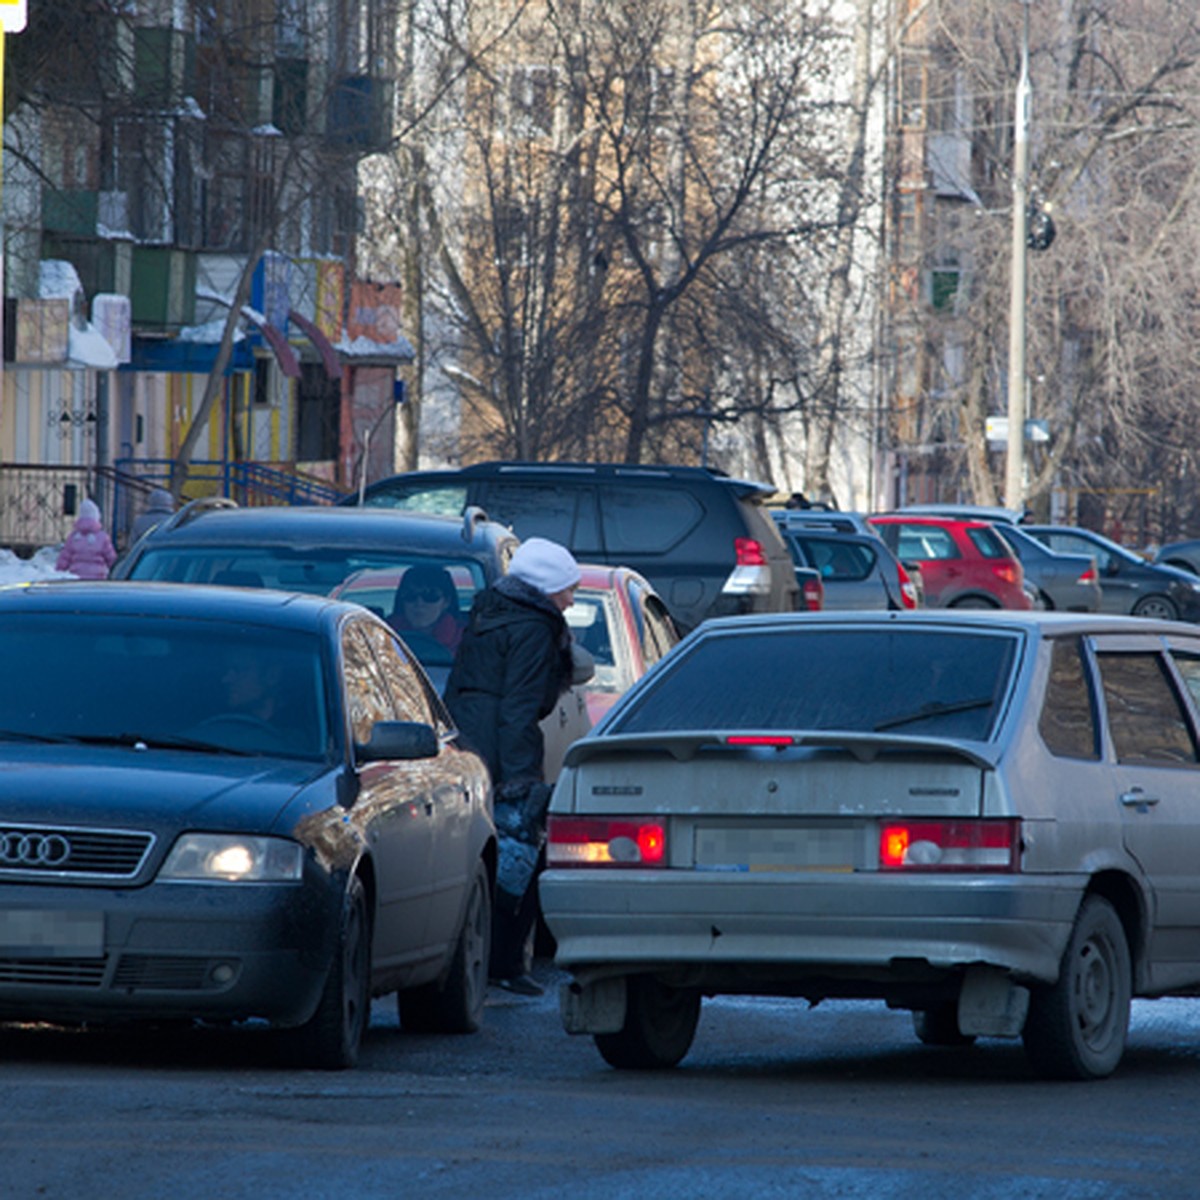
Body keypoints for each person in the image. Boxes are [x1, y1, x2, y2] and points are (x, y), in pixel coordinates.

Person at [444, 536, 582, 996]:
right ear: (545, 587)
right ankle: (504, 962)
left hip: (468, 738)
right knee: (521, 851)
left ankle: (480, 956)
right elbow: (518, 707)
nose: (571, 598)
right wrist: (522, 779)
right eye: (567, 589)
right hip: (503, 751)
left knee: (480, 854)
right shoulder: (534, 627)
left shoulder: (493, 610)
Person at [388, 563, 465, 652]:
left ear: (446, 602)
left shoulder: (466, 638)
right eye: (410, 595)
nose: (419, 603)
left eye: (430, 596)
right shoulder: (383, 632)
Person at [56, 499, 117, 580]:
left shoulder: (74, 537)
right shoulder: (103, 537)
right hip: (97, 579)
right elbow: (111, 559)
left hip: (76, 577)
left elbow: (64, 558)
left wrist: (59, 570)